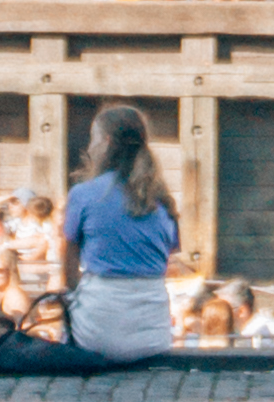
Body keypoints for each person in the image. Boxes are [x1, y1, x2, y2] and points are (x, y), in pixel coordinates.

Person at [63, 100, 184, 362]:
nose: (90, 148)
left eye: (93, 139)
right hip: (154, 337)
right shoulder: (162, 201)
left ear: (106, 142)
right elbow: (169, 258)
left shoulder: (83, 194)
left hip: (98, 334)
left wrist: (73, 296)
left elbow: (69, 267)